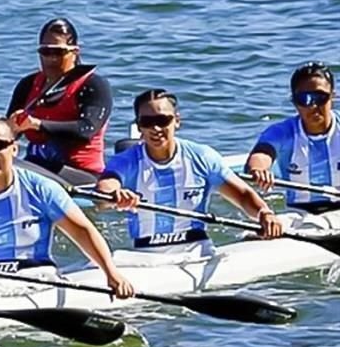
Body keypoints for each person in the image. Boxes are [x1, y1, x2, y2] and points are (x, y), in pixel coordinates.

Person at [0, 115, 134, 298]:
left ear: (14, 149)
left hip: (37, 278)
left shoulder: (41, 188)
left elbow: (82, 231)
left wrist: (111, 273)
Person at [98, 89, 282, 255]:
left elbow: (242, 195)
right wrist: (114, 195)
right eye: (147, 122)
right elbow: (103, 191)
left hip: (196, 252)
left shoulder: (201, 156)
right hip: (145, 255)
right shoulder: (126, 161)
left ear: (177, 121)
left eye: (163, 120)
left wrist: (264, 213)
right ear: (139, 126)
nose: (155, 129)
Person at [7, 17, 112, 184]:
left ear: (75, 52)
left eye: (59, 52)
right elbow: (9, 132)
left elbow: (86, 130)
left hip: (82, 174)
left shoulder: (93, 85)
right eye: (45, 52)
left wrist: (37, 124)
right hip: (35, 166)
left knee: (13, 168)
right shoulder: (27, 85)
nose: (51, 59)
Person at [245, 61, 340, 217]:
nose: (313, 106)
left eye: (320, 97)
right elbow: (262, 153)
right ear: (294, 102)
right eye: (304, 99)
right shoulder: (282, 133)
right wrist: (258, 170)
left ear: (333, 97)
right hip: (300, 214)